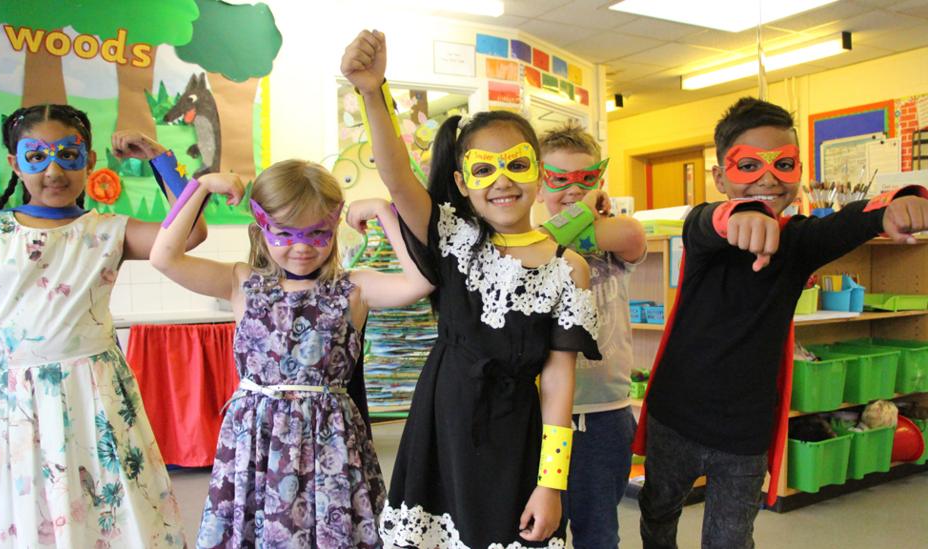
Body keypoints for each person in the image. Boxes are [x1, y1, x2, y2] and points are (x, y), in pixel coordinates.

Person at [342, 30, 601, 548]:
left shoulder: (567, 268)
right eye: (483, 170)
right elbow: (396, 179)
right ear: (462, 183)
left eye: (517, 164)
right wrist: (373, 91)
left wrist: (552, 484)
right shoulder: (451, 240)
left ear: (539, 174)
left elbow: (557, 385)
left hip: (515, 441)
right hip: (442, 432)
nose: (501, 181)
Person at [632, 97, 928, 549]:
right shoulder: (705, 233)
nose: (768, 178)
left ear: (798, 170)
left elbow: (850, 221)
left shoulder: (798, 243)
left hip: (745, 430)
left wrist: (897, 203)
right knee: (658, 516)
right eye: (749, 165)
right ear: (720, 176)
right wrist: (740, 213)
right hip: (678, 418)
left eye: (784, 164)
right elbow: (704, 222)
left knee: (731, 540)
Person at [148, 155, 433, 547]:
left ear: (334, 228)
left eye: (317, 234)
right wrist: (200, 189)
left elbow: (421, 281)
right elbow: (163, 257)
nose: (301, 247)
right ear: (261, 227)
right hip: (255, 446)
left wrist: (386, 213)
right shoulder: (241, 282)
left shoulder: (354, 288)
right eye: (285, 233)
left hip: (330, 446)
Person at [0, 104, 202, 547]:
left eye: (68, 155)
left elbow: (191, 233)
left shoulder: (108, 230)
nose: (53, 170)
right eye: (36, 157)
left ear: (89, 161)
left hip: (98, 400)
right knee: (28, 520)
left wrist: (159, 157)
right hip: (16, 409)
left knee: (112, 514)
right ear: (14, 163)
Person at [535, 122, 647, 549]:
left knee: (599, 531)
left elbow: (632, 234)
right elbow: (539, 242)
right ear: (539, 184)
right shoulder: (529, 245)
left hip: (605, 414)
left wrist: (585, 216)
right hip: (543, 416)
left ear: (600, 182)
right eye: (558, 179)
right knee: (541, 527)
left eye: (585, 180)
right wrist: (584, 212)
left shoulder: (613, 240)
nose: (571, 190)